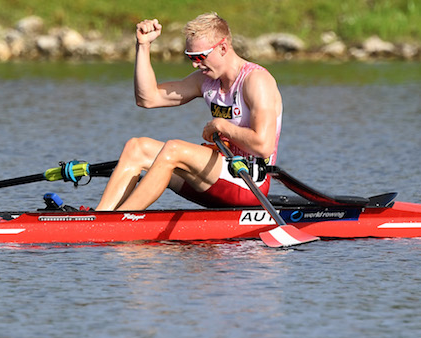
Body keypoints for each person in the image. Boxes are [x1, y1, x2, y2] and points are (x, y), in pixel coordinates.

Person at [95, 12, 283, 211]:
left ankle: (122, 220)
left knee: (174, 149)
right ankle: (100, 218)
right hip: (220, 176)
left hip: (250, 183)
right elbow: (147, 99)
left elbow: (263, 146)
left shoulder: (256, 81)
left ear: (223, 48)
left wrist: (222, 126)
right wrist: (143, 46)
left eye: (200, 57)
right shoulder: (206, 81)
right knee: (137, 147)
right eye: (190, 58)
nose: (195, 64)